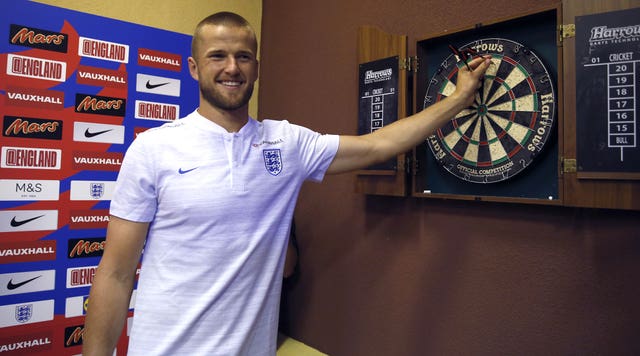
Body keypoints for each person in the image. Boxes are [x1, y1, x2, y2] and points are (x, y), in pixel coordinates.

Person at [83, 11, 490, 356]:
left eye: (244, 57)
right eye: (217, 56)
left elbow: (378, 145)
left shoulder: (286, 142)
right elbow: (116, 274)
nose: (232, 68)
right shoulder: (153, 149)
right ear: (194, 68)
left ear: (257, 67)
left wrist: (456, 100)